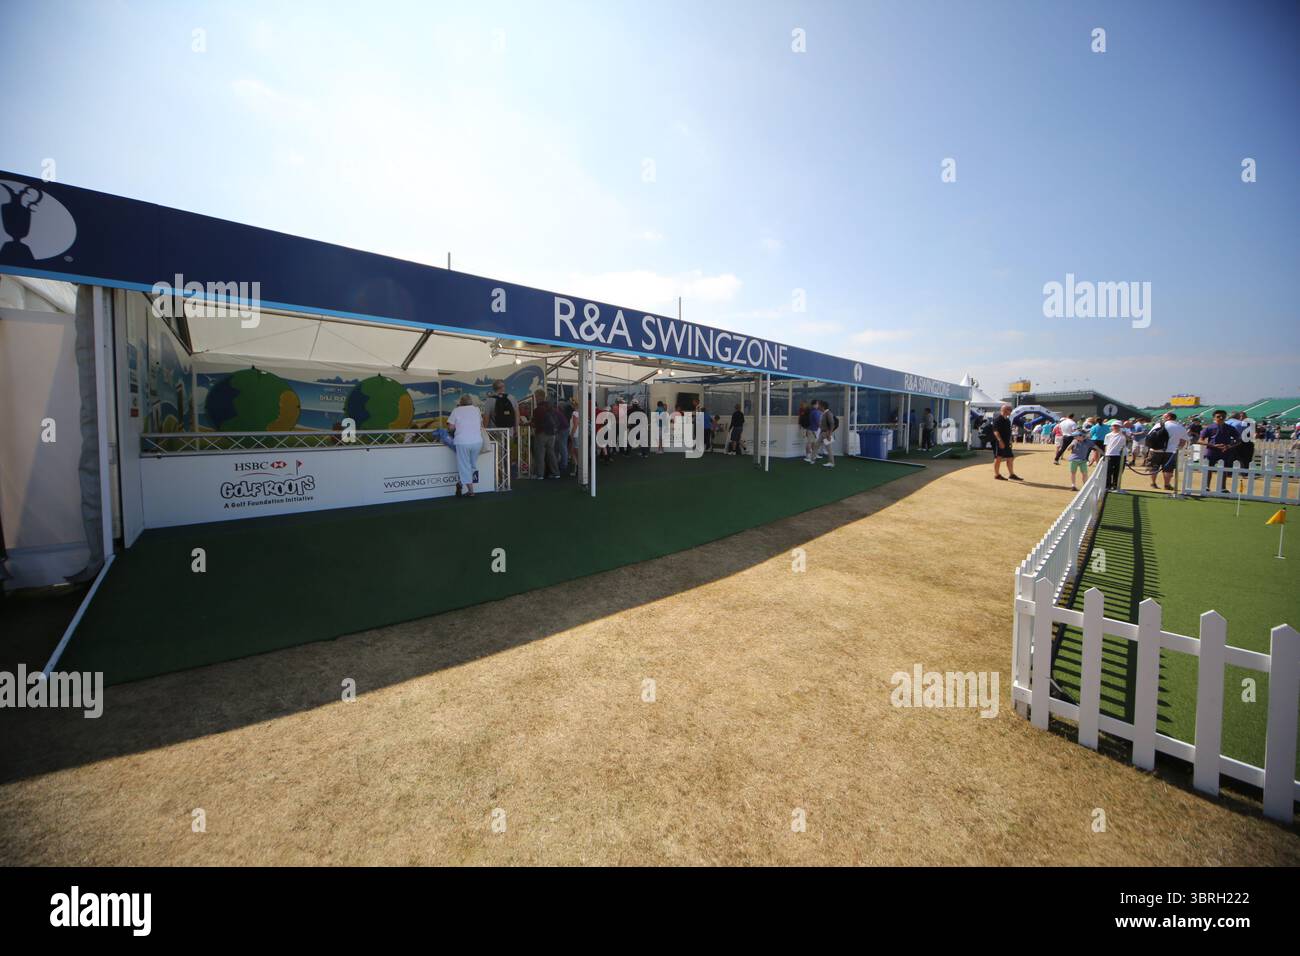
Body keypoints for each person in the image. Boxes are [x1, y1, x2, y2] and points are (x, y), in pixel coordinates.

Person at [447, 394, 485, 497]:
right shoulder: (476, 410)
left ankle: (471, 491)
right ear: (471, 401)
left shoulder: (456, 410)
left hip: (462, 441)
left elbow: (450, 427)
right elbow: (481, 424)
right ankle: (460, 483)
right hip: (477, 441)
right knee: (472, 465)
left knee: (464, 466)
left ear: (461, 402)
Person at [1198, 409, 1241, 491]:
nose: (1221, 418)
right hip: (1211, 450)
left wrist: (1229, 446)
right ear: (1214, 418)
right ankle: (1206, 487)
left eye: (1223, 416)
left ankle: (1222, 488)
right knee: (1208, 468)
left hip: (1225, 451)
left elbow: (1238, 440)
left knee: (1224, 470)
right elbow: (1200, 440)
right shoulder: (1209, 428)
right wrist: (1212, 445)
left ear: (1226, 417)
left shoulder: (1230, 428)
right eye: (1218, 416)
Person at [1145, 411, 1187, 492]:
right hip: (1171, 451)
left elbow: (1149, 437)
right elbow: (1183, 442)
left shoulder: (1159, 425)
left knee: (1153, 467)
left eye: (1164, 417)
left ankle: (1153, 483)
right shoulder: (1181, 427)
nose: (1162, 418)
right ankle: (1167, 484)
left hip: (1155, 450)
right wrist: (1178, 448)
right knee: (1169, 469)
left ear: (1168, 417)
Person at [530, 390, 561, 478]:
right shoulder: (551, 407)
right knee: (551, 453)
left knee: (540, 454)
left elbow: (535, 423)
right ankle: (556, 473)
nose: (535, 398)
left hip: (541, 433)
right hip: (552, 434)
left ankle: (540, 474)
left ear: (539, 397)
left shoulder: (537, 410)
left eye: (535, 396)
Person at [992, 404, 1022, 481]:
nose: (1011, 411)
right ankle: (997, 474)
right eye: (1009, 409)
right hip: (999, 442)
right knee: (998, 458)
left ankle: (1011, 474)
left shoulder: (1007, 420)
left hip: (1006, 442)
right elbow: (995, 431)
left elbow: (1008, 432)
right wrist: (1000, 441)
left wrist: (1009, 441)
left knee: (1010, 457)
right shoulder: (998, 419)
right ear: (1005, 410)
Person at [1103, 420, 1127, 491]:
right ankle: (1108, 486)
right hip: (1110, 455)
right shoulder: (1108, 435)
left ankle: (1115, 486)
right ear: (1112, 427)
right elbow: (1106, 445)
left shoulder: (1123, 434)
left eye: (1117, 426)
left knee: (1118, 471)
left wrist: (1124, 433)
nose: (1116, 427)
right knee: (1108, 471)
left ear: (1120, 427)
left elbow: (1128, 439)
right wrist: (1106, 454)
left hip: (1120, 456)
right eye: (1114, 426)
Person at [818, 401, 838, 467]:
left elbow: (832, 424)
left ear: (823, 406)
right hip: (824, 433)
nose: (818, 407)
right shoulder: (824, 413)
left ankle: (832, 462)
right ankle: (831, 462)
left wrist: (829, 434)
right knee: (817, 445)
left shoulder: (828, 413)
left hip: (826, 433)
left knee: (828, 448)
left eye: (820, 405)